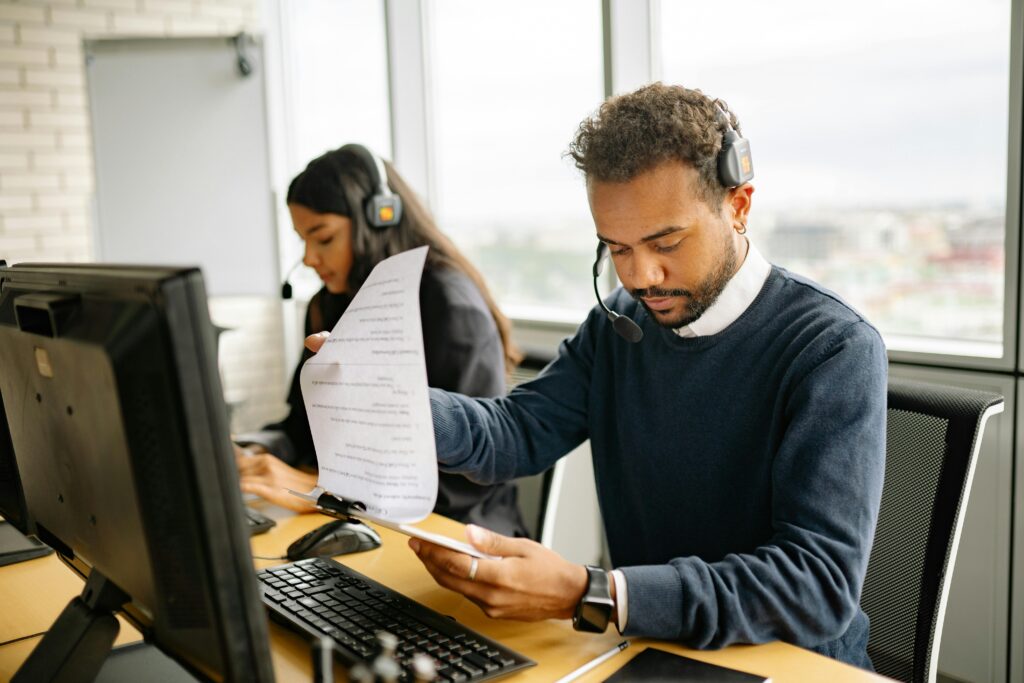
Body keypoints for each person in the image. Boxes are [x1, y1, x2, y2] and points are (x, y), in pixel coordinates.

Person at [308, 85, 887, 668]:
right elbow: (516, 430)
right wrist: (396, 399)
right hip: (654, 649)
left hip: (791, 662)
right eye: (617, 248)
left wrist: (596, 594)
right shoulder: (620, 326)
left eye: (666, 243)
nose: (641, 277)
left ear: (738, 205)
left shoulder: (832, 348)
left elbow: (817, 587)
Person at [237, 143, 528, 537]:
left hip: (455, 532)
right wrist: (253, 451)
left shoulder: (450, 305)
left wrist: (320, 491)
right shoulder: (329, 304)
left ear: (379, 219)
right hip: (364, 523)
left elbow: (465, 483)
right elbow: (299, 429)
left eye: (322, 238)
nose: (307, 258)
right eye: (302, 240)